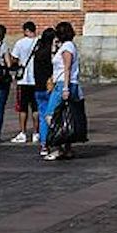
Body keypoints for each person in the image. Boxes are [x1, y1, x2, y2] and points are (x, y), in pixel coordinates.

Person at [40, 21, 83, 161]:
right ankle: (67, 148)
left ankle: (58, 148)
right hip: (67, 83)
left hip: (64, 84)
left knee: (51, 115)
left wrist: (65, 88)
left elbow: (67, 68)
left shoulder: (67, 47)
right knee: (66, 115)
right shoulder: (66, 46)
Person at [9, 21, 40, 143]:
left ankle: (23, 132)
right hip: (36, 79)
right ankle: (36, 133)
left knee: (23, 108)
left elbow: (14, 58)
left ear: (26, 30)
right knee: (36, 108)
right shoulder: (39, 42)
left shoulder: (20, 43)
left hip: (23, 80)